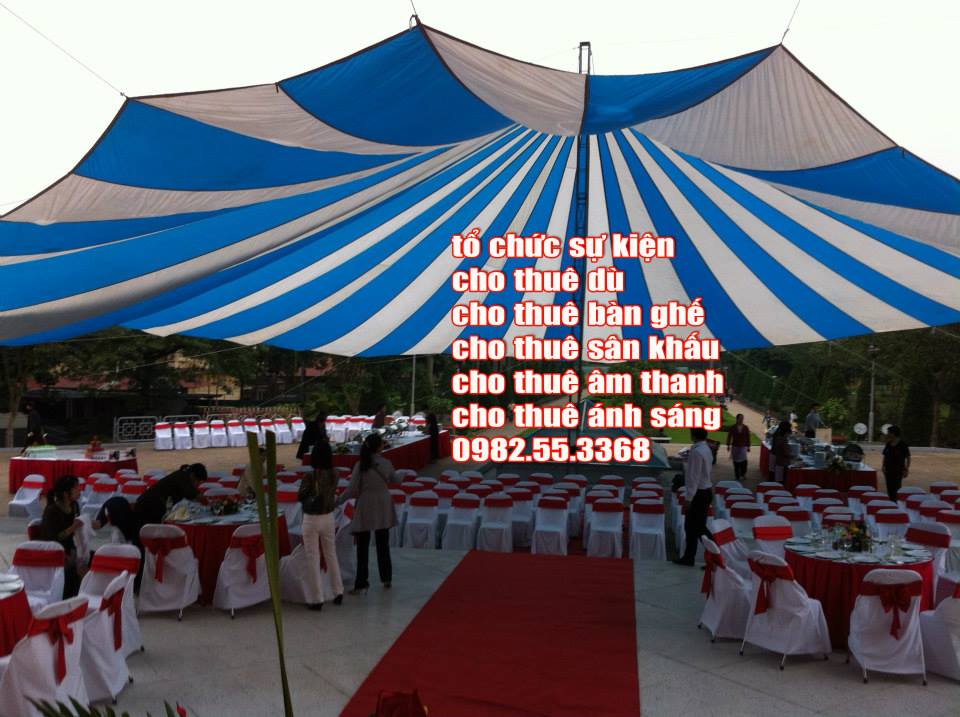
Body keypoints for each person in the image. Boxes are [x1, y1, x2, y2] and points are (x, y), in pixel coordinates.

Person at [337, 433, 396, 593]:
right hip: (383, 503)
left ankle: (361, 581)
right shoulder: (387, 463)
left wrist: (339, 500)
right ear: (380, 447)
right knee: (383, 543)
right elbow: (395, 479)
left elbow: (351, 489)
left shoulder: (361, 464)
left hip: (366, 503)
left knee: (362, 546)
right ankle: (387, 577)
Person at [95, 463, 206, 544]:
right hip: (150, 507)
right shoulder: (182, 477)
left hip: (153, 506)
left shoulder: (182, 475)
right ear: (193, 475)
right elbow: (195, 495)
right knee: (145, 533)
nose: (198, 485)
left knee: (145, 533)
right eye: (199, 481)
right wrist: (209, 503)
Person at [298, 441, 343, 610]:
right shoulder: (335, 474)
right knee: (331, 554)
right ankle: (338, 591)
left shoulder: (310, 476)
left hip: (311, 518)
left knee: (313, 557)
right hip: (328, 517)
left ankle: (316, 598)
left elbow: (301, 496)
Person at [672, 427, 714, 567]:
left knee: (696, 527)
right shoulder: (706, 449)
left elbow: (693, 477)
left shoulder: (696, 452)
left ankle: (714, 555)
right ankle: (690, 556)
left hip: (698, 494)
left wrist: (689, 498)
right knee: (694, 527)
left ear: (694, 436)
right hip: (705, 491)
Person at [40, 475, 83, 598]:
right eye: (76, 488)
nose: (79, 490)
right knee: (71, 570)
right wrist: (73, 527)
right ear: (65, 493)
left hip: (70, 548)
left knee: (91, 559)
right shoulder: (52, 511)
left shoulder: (74, 505)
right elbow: (54, 538)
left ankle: (81, 597)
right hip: (54, 551)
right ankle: (66, 600)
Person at [882, 425, 911, 503]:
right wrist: (883, 466)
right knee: (889, 487)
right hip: (888, 469)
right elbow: (885, 455)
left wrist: (906, 469)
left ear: (893, 433)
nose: (888, 434)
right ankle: (891, 502)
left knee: (897, 488)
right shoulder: (888, 444)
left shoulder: (903, 444)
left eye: (889, 432)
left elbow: (908, 457)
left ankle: (896, 503)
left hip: (898, 470)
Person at [726, 413, 751, 481]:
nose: (741, 420)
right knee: (736, 462)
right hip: (735, 446)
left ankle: (743, 474)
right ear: (737, 419)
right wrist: (728, 445)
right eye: (740, 418)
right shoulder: (733, 427)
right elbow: (729, 436)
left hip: (743, 446)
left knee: (744, 461)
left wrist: (748, 446)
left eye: (742, 418)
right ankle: (737, 475)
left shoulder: (745, 427)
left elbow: (748, 437)